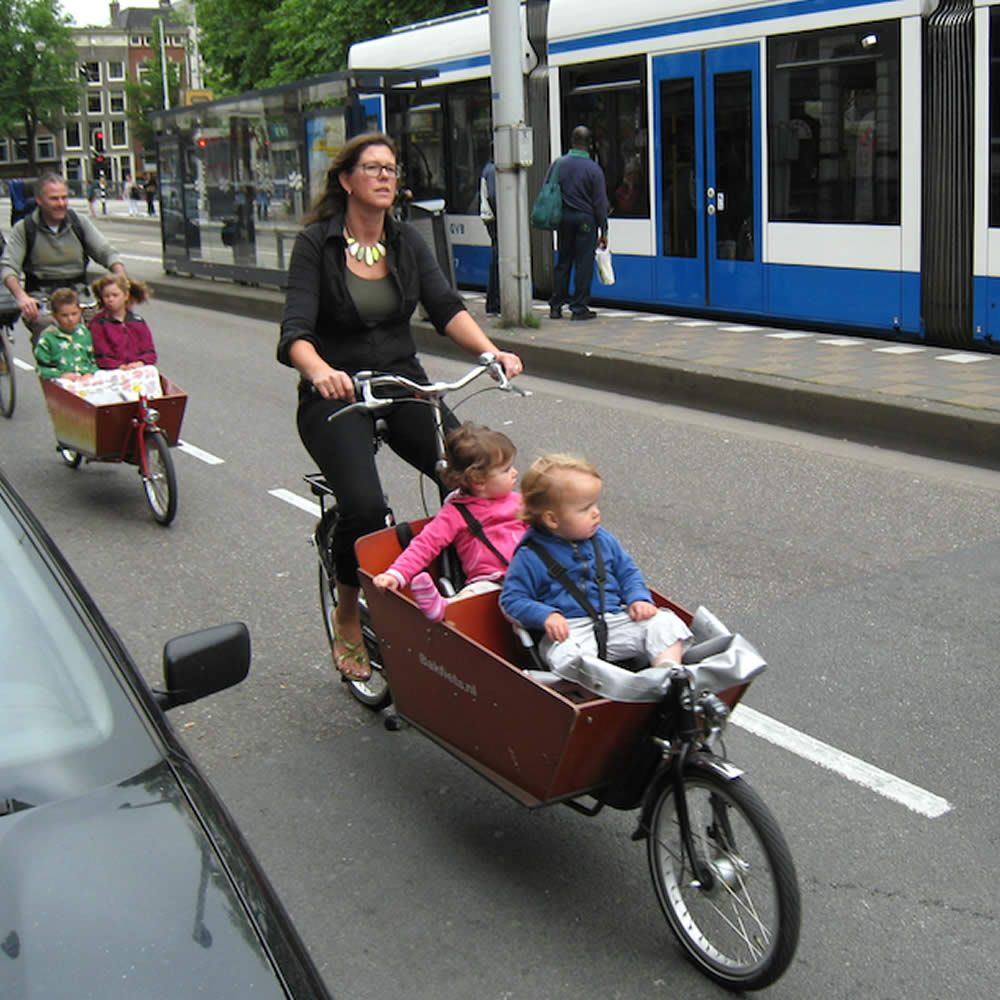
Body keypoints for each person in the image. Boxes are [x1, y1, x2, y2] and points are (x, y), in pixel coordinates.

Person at [277, 131, 524, 683]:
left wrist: (490, 352)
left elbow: (445, 307)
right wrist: (319, 371)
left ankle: (472, 588)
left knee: (474, 476)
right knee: (365, 508)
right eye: (373, 168)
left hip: (401, 384)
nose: (386, 177)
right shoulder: (318, 244)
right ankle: (346, 610)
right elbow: (294, 331)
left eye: (391, 168)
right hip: (336, 395)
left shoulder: (407, 241)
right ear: (346, 181)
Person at [500, 453, 691, 676]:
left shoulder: (603, 540)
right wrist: (546, 615)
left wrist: (637, 597)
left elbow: (627, 572)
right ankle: (606, 682)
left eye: (595, 504)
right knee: (567, 655)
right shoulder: (530, 556)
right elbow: (512, 599)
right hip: (571, 631)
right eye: (584, 509)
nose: (596, 512)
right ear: (552, 519)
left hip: (613, 621)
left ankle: (668, 672)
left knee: (665, 622)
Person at [371, 423, 526, 621]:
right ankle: (445, 608)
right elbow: (425, 545)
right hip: (491, 581)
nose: (515, 473)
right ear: (478, 481)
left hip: (529, 573)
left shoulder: (520, 501)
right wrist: (396, 574)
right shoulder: (456, 513)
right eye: (505, 470)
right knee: (472, 598)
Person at [0, 172, 127, 340]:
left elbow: (105, 251)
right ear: (39, 200)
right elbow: (9, 268)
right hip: (43, 298)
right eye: (54, 199)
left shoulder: (79, 223)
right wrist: (22, 297)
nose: (61, 204)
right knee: (50, 337)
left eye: (64, 198)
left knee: (107, 333)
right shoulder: (25, 229)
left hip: (79, 296)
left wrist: (121, 278)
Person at [547, 126, 609, 322]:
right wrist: (604, 229)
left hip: (563, 218)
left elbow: (548, 189)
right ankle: (579, 307)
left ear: (572, 141)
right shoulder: (593, 169)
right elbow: (600, 203)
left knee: (563, 261)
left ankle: (556, 306)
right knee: (583, 263)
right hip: (585, 221)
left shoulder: (558, 164)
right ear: (589, 144)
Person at [89, 273, 156, 370]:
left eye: (115, 295)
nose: (111, 299)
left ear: (125, 296)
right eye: (106, 296)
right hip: (111, 370)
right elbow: (101, 355)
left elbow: (149, 352)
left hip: (137, 368)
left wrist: (141, 362)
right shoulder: (98, 324)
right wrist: (120, 366)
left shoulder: (138, 322)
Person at [33, 286, 97, 380]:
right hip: (61, 383)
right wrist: (60, 375)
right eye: (64, 315)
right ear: (55, 316)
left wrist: (91, 373)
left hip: (85, 380)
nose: (70, 319)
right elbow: (41, 369)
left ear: (80, 312)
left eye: (74, 314)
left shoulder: (85, 333)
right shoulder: (48, 338)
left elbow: (95, 360)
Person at [479, 158, 499, 315]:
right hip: (494, 219)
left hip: (489, 217)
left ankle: (493, 303)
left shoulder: (488, 168)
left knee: (497, 259)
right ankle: (494, 303)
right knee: (498, 260)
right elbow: (493, 196)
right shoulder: (493, 170)